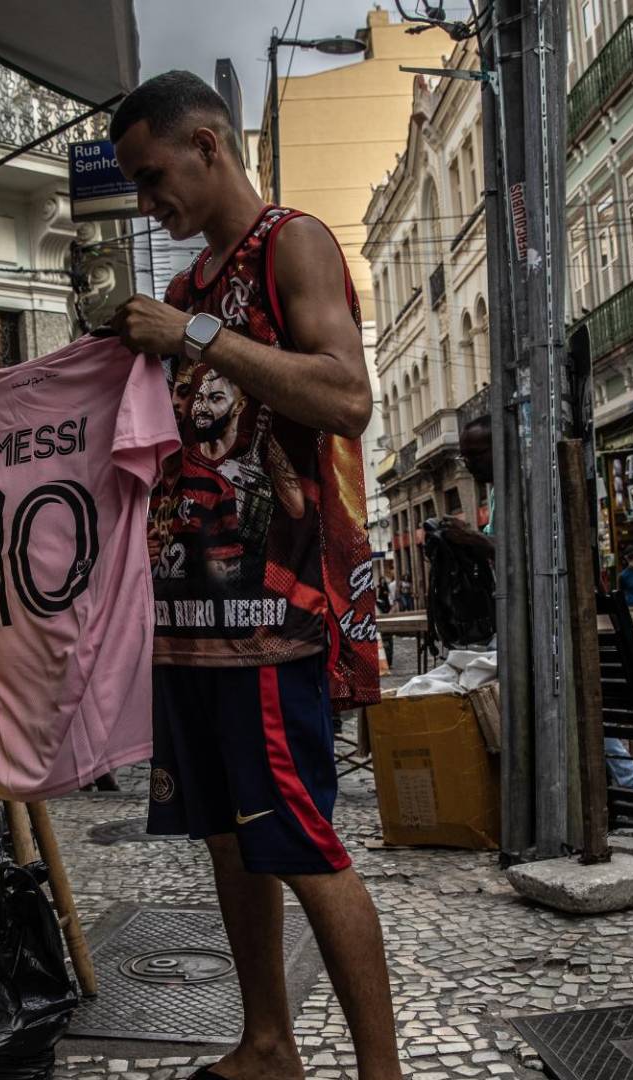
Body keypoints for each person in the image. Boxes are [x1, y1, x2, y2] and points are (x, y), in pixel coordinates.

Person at [108, 72, 402, 1080]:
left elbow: (348, 397)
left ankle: (382, 1073)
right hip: (188, 614)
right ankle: (268, 1041)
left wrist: (191, 337)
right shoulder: (191, 287)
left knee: (303, 841)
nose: (151, 205)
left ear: (207, 143)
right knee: (231, 842)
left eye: (154, 178)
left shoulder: (294, 243)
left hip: (274, 611)